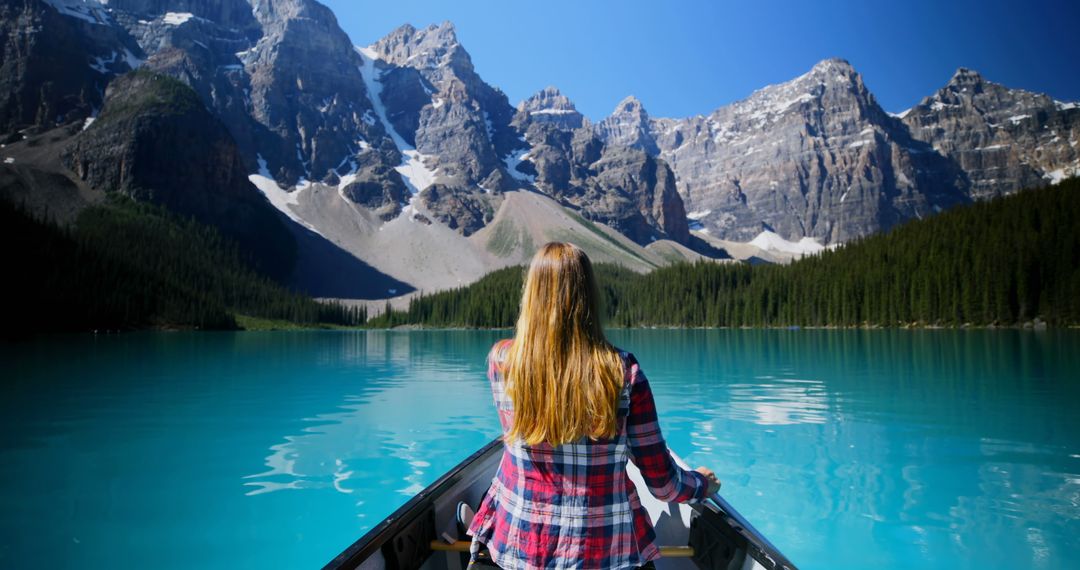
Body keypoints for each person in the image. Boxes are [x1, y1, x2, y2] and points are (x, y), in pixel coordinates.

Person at [466, 242, 722, 570]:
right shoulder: (624, 372)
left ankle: (475, 526)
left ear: (532, 296)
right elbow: (663, 486)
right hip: (605, 556)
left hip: (518, 551)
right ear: (588, 296)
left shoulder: (501, 360)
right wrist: (702, 484)